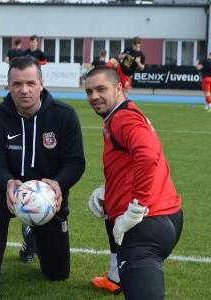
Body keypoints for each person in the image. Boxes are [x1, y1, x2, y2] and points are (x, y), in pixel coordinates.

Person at [0, 55, 85, 300]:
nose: (24, 90)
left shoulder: (64, 115)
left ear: (41, 83)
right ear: (8, 85)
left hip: (50, 198)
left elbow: (75, 162)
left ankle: (30, 237)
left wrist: (59, 183)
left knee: (57, 273)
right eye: (17, 84)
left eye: (30, 83)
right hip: (11, 192)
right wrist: (8, 182)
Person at [85, 66, 183, 300]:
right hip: (166, 214)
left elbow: (148, 156)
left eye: (101, 89)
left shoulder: (123, 117)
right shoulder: (123, 115)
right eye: (89, 91)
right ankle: (115, 277)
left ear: (119, 88)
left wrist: (136, 207)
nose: (94, 96)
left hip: (145, 227)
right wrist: (111, 189)